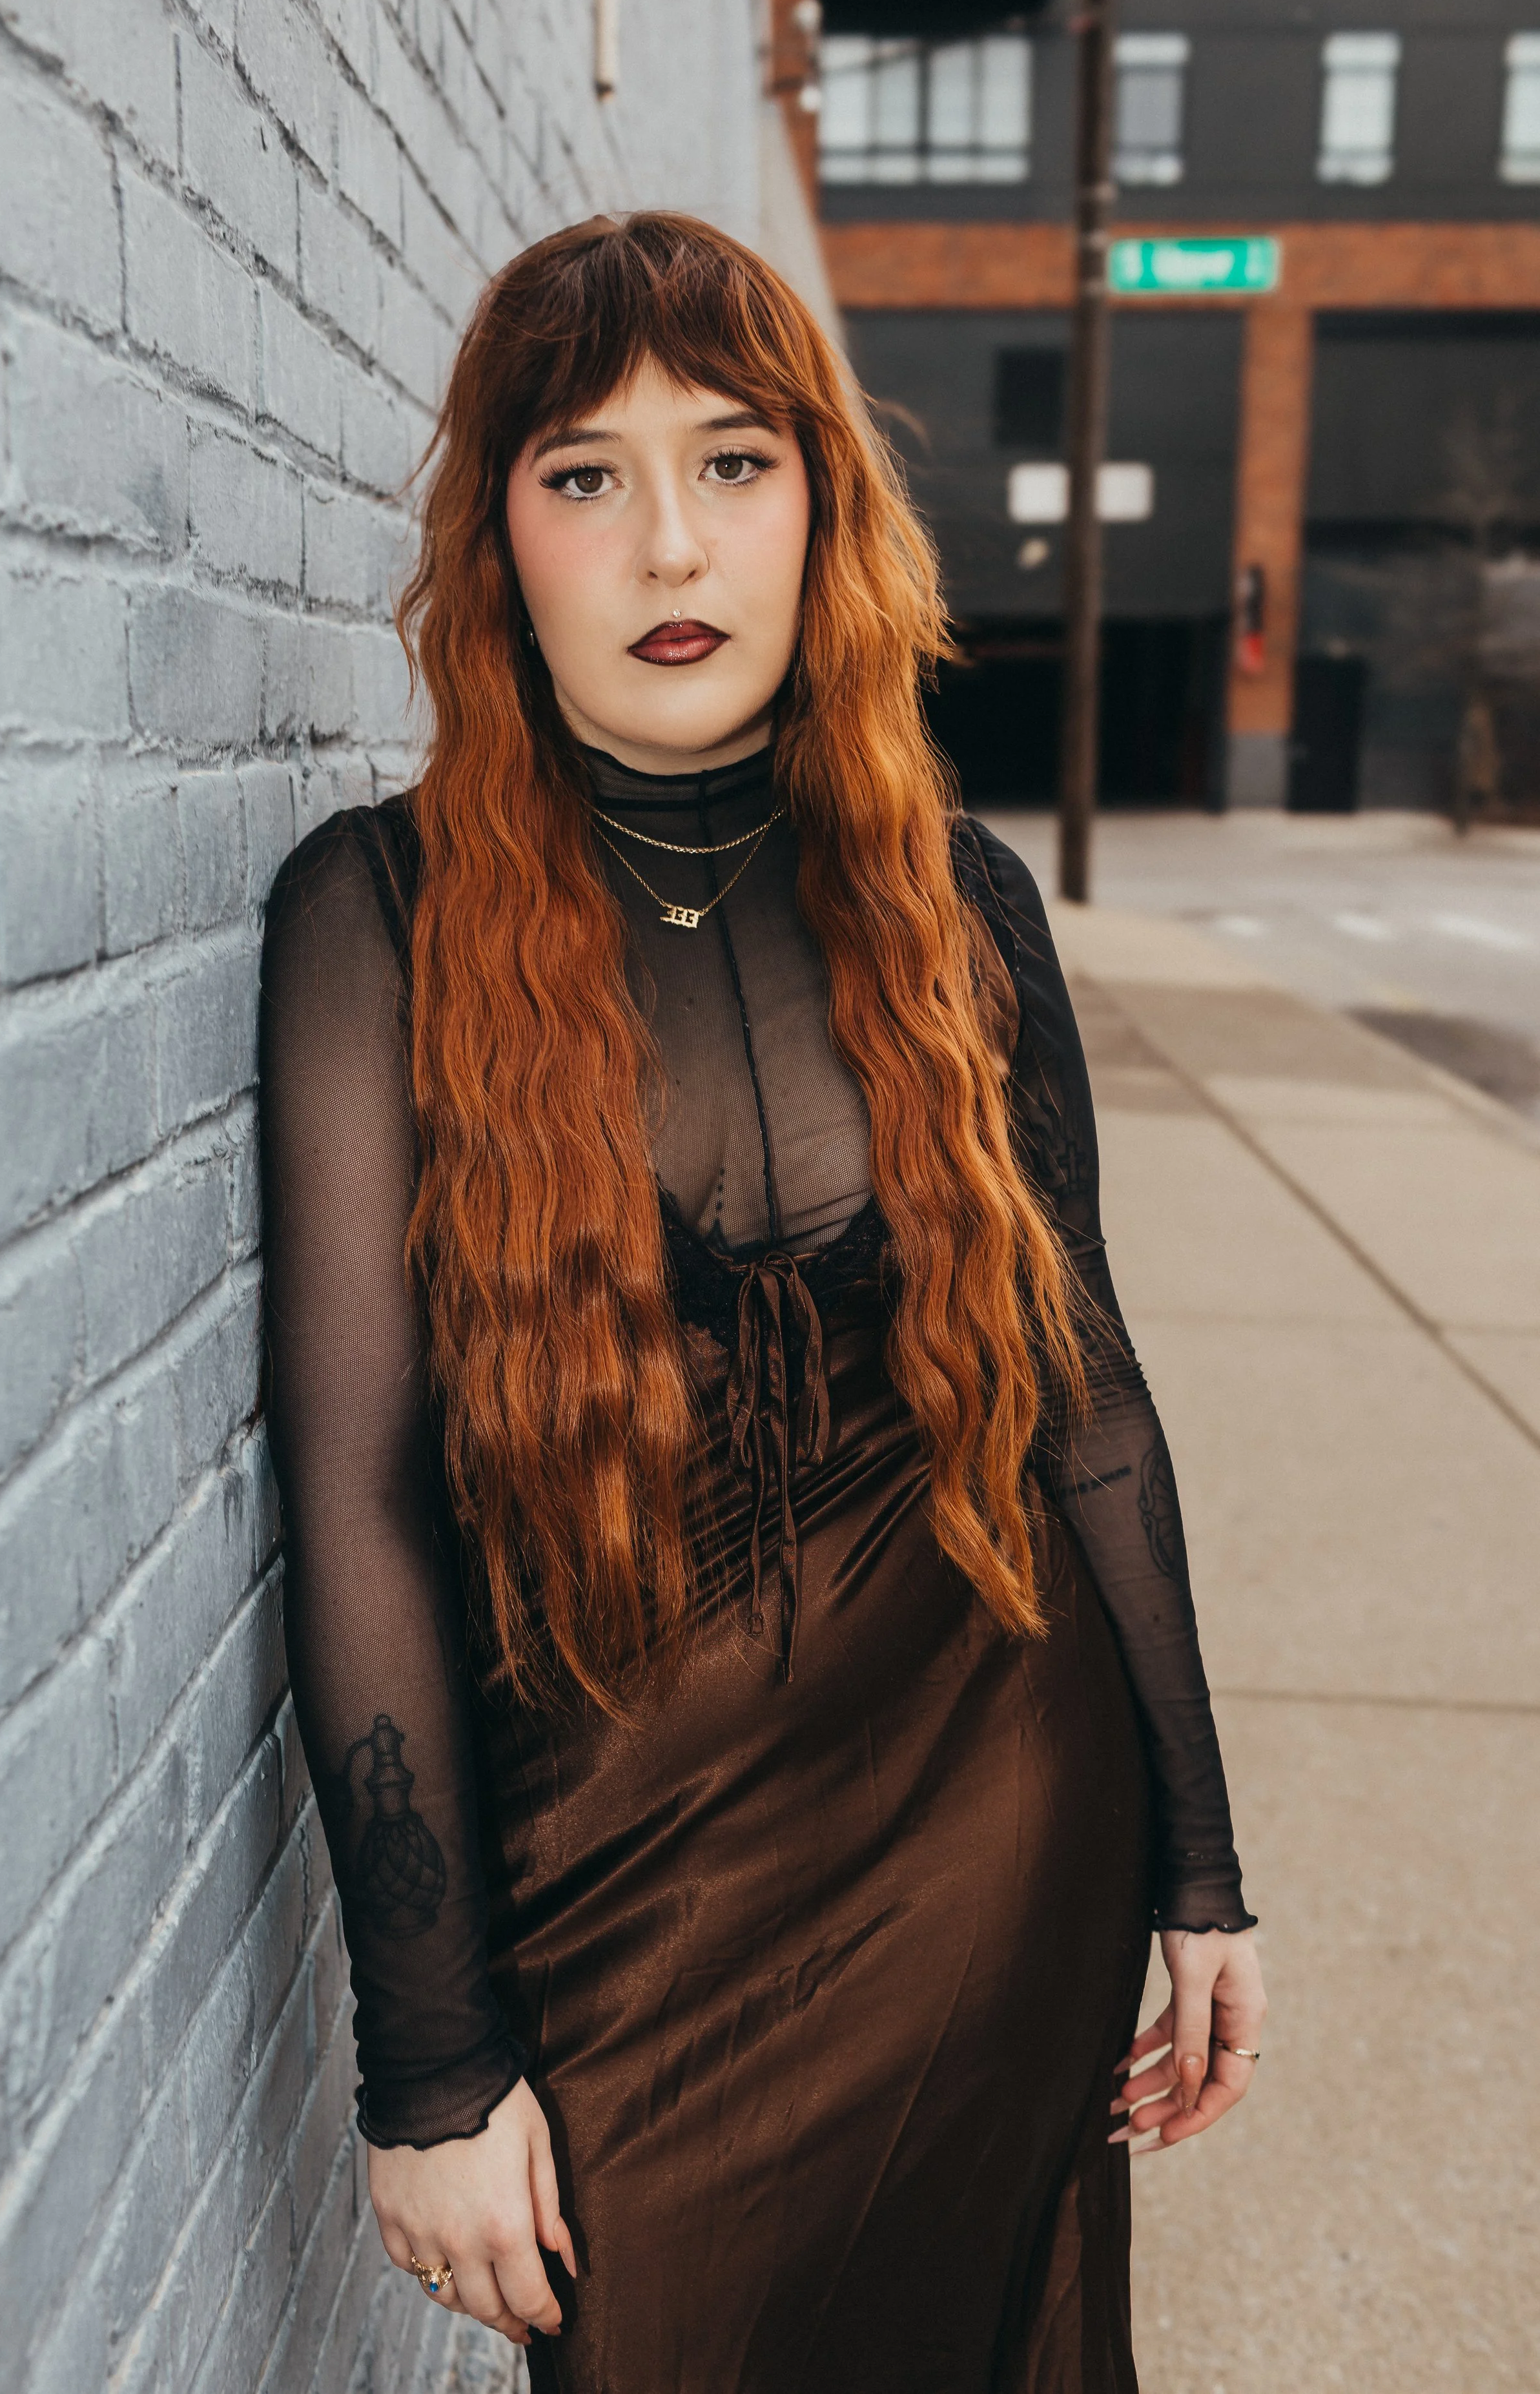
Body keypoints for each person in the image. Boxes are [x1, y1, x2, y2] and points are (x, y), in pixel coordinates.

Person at [259, 212, 1265, 2394]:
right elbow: (355, 1511)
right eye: (584, 474)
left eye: (731, 462)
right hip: (621, 1900)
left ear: (821, 505)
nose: (667, 543)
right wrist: (430, 2061)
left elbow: (1085, 1401)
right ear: (499, 537)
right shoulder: (376, 913)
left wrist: (1197, 1868)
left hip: (1000, 1824)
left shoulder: (955, 900)